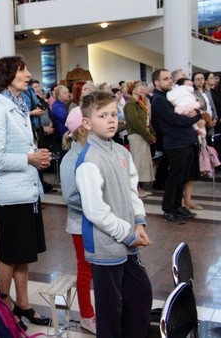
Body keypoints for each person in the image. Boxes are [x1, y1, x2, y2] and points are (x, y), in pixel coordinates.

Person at [75, 91, 152, 337]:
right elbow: (96, 211)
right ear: (87, 123)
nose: (111, 120)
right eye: (102, 115)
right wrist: (127, 234)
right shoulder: (88, 160)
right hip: (106, 246)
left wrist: (138, 224)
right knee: (110, 310)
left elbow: (132, 192)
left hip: (128, 239)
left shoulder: (121, 152)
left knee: (140, 294)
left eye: (113, 114)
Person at [0, 55, 51, 330]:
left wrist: (37, 157)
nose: (29, 74)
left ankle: (23, 304)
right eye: (23, 70)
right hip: (10, 195)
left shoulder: (19, 105)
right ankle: (3, 307)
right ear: (8, 75)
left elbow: (22, 147)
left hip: (26, 191)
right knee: (10, 254)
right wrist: (29, 158)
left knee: (23, 253)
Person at [59, 106, 96, 334]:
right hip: (82, 222)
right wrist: (99, 207)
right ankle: (87, 316)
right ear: (82, 129)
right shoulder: (70, 159)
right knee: (86, 271)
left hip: (97, 219)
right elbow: (71, 196)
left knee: (100, 269)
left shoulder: (92, 150)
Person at [150, 69, 201, 224]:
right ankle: (168, 210)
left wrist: (196, 114)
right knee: (174, 178)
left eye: (170, 78)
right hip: (175, 143)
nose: (170, 81)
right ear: (156, 82)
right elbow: (175, 120)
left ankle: (177, 206)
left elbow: (191, 108)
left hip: (186, 140)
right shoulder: (158, 99)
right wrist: (196, 117)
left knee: (182, 177)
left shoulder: (170, 95)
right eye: (165, 79)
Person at [123, 81, 156, 198]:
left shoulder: (141, 103)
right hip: (137, 135)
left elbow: (147, 121)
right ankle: (134, 188)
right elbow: (136, 123)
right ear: (132, 89)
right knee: (137, 163)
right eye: (139, 87)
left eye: (144, 86)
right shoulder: (130, 104)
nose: (142, 89)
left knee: (143, 163)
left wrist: (151, 134)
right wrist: (148, 135)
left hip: (143, 134)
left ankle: (139, 187)